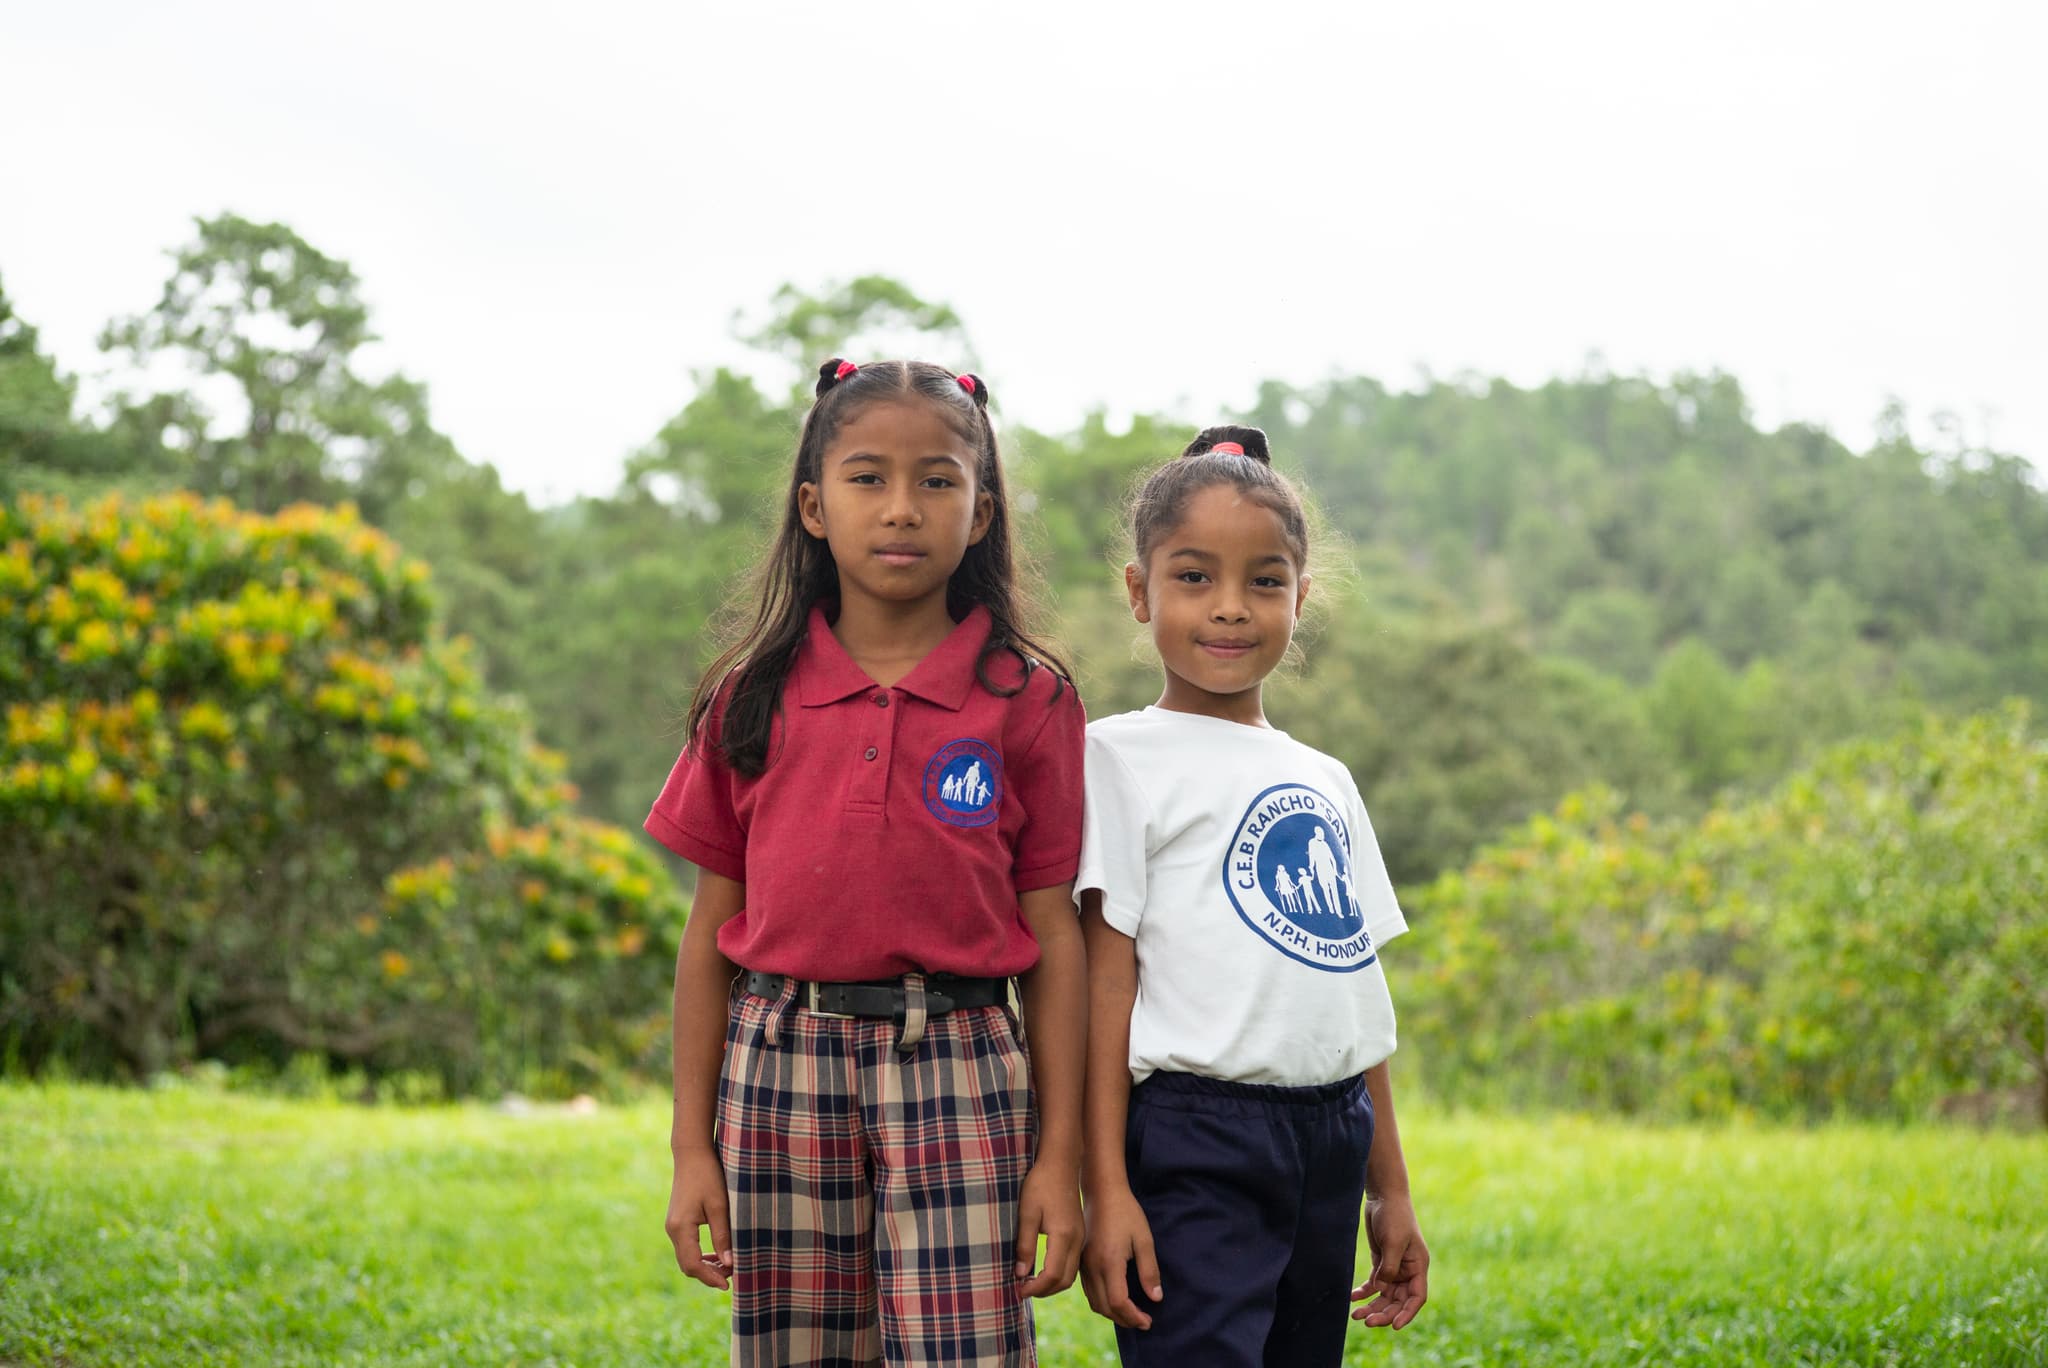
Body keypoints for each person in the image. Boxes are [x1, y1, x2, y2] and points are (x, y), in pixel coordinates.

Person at [650, 359, 1087, 1367]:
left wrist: (1055, 1160)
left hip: (963, 1065)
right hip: (776, 1070)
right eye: (866, 478)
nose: (901, 508)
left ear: (980, 514)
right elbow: (708, 940)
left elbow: (1053, 939)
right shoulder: (748, 696)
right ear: (813, 505)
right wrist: (688, 1149)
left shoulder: (1027, 699)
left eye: (937, 479)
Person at [1075, 425, 1429, 1366]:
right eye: (1194, 577)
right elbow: (1103, 989)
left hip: (1331, 1130)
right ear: (1138, 590)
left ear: (1301, 599)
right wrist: (1102, 1187)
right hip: (1195, 1133)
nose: (1230, 609)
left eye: (1264, 581)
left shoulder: (1326, 777)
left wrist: (1388, 1187)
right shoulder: (1113, 755)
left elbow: (1352, 996)